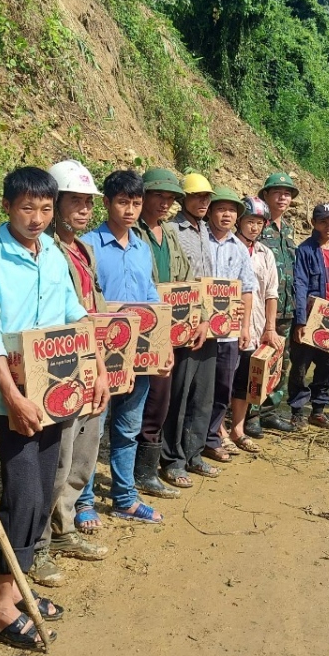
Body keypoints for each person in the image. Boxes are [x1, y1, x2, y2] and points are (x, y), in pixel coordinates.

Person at [0, 167, 109, 650]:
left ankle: (19, 588)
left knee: (43, 490)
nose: (37, 218)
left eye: (46, 210)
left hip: (56, 392)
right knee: (23, 495)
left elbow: (74, 314)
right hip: (14, 403)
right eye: (27, 208)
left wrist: (100, 369)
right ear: (7, 207)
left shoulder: (52, 252)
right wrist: (13, 398)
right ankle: (0, 607)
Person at [29, 160, 112, 588]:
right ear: (54, 203)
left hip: (90, 359)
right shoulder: (44, 251)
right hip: (60, 366)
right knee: (56, 458)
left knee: (84, 451)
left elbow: (90, 308)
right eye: (74, 201)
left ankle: (64, 527)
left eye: (87, 202)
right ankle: (38, 542)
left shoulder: (83, 249)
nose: (82, 210)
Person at [82, 169, 168, 523]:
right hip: (100, 354)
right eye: (123, 202)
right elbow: (84, 302)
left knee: (128, 428)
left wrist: (163, 347)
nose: (130, 210)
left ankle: (124, 498)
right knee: (92, 430)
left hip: (139, 356)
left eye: (135, 203)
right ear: (106, 203)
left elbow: (151, 299)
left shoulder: (141, 248)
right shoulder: (87, 246)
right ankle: (84, 503)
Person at [136, 167, 193, 498]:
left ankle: (145, 468)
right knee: (146, 397)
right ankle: (137, 470)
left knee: (161, 397)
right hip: (146, 325)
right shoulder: (136, 232)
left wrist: (196, 315)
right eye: (159, 195)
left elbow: (185, 275)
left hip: (172, 327)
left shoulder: (168, 234)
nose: (164, 203)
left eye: (170, 198)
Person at [160, 173, 220, 484]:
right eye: (197, 197)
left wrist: (207, 317)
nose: (203, 202)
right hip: (182, 323)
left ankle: (194, 453)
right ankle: (172, 460)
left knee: (203, 395)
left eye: (206, 197)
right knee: (179, 395)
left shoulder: (205, 230)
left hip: (206, 321)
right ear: (184, 199)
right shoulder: (172, 231)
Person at [201, 186, 256, 464]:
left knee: (224, 385)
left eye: (232, 210)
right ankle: (192, 441)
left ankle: (211, 438)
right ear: (210, 211)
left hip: (229, 332)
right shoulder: (199, 240)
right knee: (198, 387)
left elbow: (247, 289)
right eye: (221, 208)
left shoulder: (239, 248)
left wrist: (245, 327)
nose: (226, 214)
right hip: (199, 330)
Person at [289, 203, 329, 430]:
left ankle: (318, 410)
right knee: (300, 365)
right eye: (323, 222)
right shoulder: (305, 250)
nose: (328, 226)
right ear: (314, 223)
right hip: (310, 316)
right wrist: (300, 320)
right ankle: (297, 411)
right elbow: (300, 284)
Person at [228, 196, 282, 453]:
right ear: (239, 221)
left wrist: (270, 328)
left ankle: (237, 428)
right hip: (228, 325)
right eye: (250, 221)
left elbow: (271, 293)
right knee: (222, 379)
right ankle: (216, 431)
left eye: (259, 223)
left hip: (257, 324)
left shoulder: (265, 253)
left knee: (244, 381)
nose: (254, 227)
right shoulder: (227, 247)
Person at [255, 171, 299, 433]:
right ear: (266, 195)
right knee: (256, 362)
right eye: (277, 193)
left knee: (280, 363)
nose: (283, 198)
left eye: (287, 194)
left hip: (287, 307)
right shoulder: (258, 226)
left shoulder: (289, 230)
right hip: (262, 308)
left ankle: (270, 410)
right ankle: (251, 414)